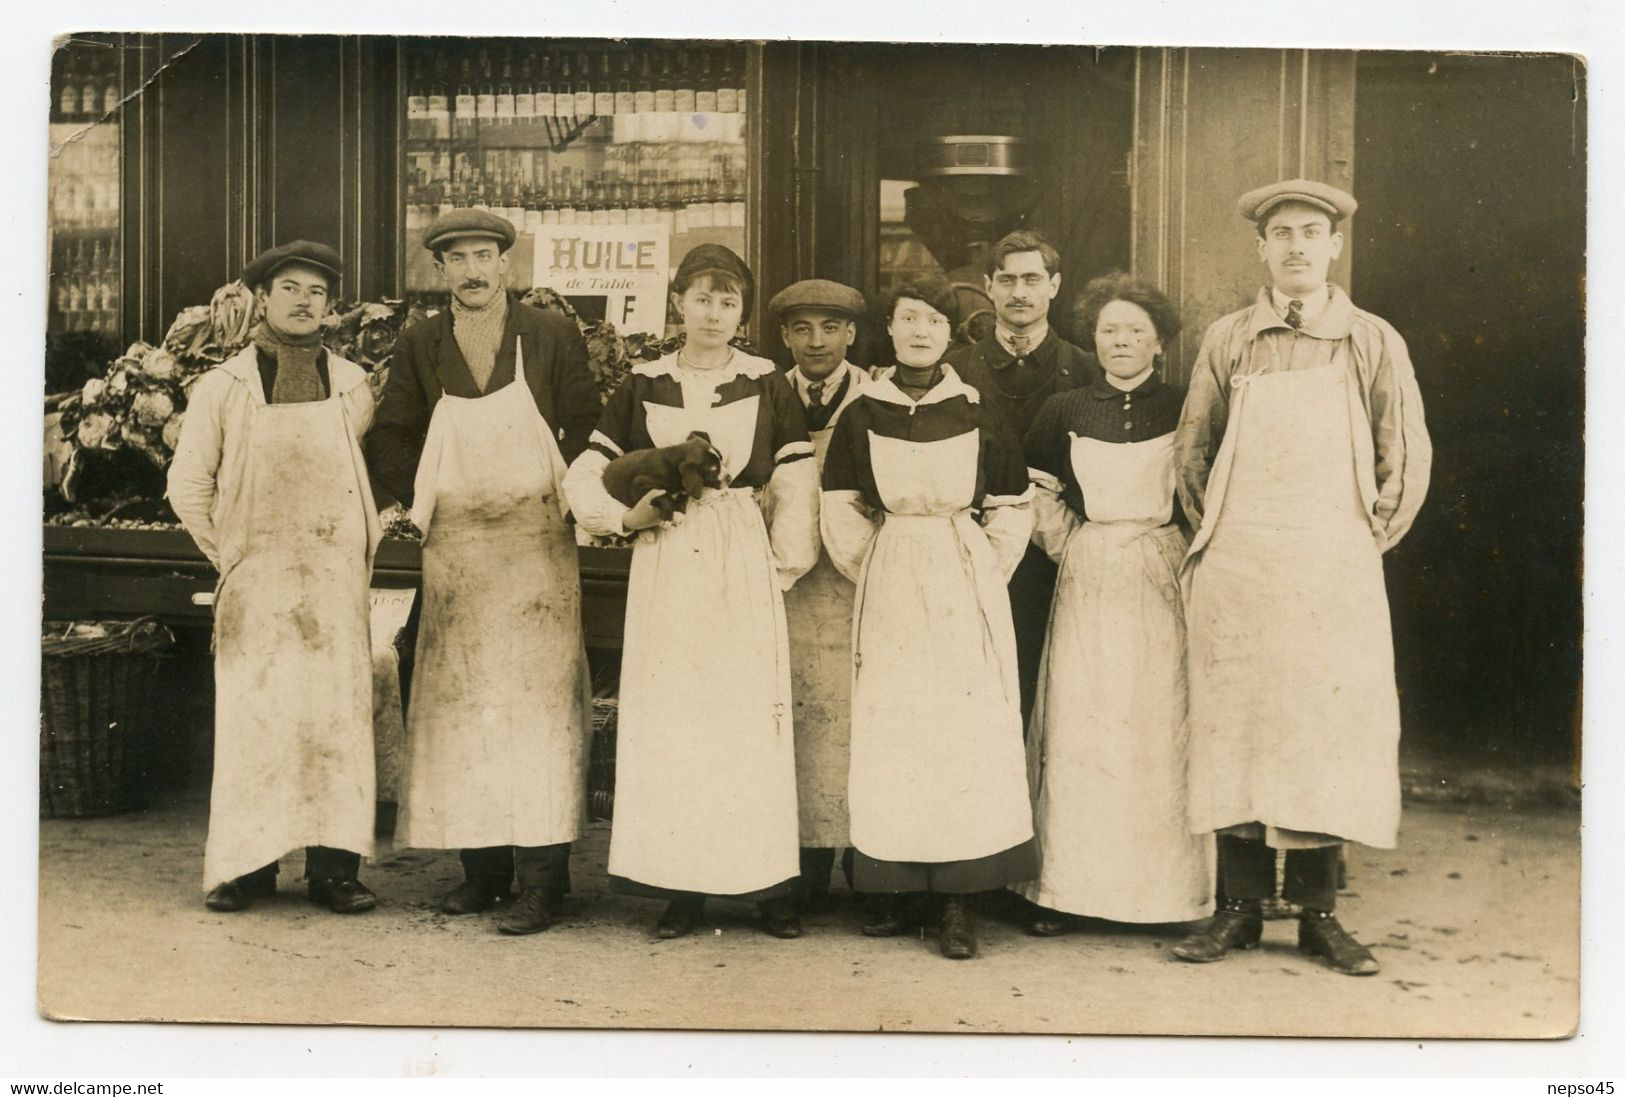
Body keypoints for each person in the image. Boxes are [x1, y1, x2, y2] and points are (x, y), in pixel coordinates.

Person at [1172, 179, 1432, 975]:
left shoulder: (1369, 339)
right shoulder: (1230, 338)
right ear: (1260, 249)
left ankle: (1319, 915)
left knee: (1326, 732)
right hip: (1242, 566)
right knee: (1236, 726)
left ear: (1332, 246)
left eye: (1308, 232)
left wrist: (1357, 543)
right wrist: (1220, 542)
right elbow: (1193, 452)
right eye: (1279, 232)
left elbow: (1404, 452)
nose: (1293, 246)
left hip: (1331, 566)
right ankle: (1237, 911)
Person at [563, 244, 820, 940]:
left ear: (741, 311)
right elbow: (584, 472)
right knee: (677, 717)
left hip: (740, 553)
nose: (713, 313)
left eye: (728, 301)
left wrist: (781, 568)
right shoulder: (643, 382)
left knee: (742, 718)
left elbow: (795, 480)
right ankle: (683, 887)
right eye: (701, 298)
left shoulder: (767, 381)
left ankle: (765, 885)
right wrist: (621, 518)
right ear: (677, 302)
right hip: (669, 557)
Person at [365, 208, 602, 936]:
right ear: (440, 271)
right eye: (457, 258)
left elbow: (587, 428)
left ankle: (541, 880)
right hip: (459, 554)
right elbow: (393, 431)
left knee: (537, 718)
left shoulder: (552, 336)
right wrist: (403, 502)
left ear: (506, 264)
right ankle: (482, 872)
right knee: (462, 712)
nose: (472, 270)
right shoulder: (420, 342)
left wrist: (586, 502)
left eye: (484, 256)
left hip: (537, 551)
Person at [821, 274, 1036, 960]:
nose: (919, 332)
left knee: (962, 732)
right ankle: (897, 889)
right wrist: (884, 565)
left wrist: (972, 568)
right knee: (897, 727)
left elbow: (1010, 502)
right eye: (908, 319)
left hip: (960, 572)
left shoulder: (975, 408)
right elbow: (841, 505)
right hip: (891, 572)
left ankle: (957, 900)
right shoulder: (863, 411)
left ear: (950, 334)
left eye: (933, 322)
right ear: (890, 328)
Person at [167, 240, 381, 914]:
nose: (302, 301)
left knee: (335, 723)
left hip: (331, 581)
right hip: (256, 581)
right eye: (288, 288)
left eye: (315, 292)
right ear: (262, 298)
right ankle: (247, 870)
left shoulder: (351, 384)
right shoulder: (222, 386)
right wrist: (230, 553)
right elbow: (187, 483)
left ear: (329, 307)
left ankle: (334, 872)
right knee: (256, 721)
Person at [1013, 273, 1213, 934]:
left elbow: (1206, 486)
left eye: (1133, 330)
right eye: (1107, 331)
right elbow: (1034, 490)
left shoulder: (1186, 405)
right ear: (1092, 342)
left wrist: (1178, 548)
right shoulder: (1065, 409)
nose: (1120, 341)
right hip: (1090, 574)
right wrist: (1073, 542)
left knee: (1159, 722)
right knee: (1083, 721)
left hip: (1162, 574)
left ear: (1158, 342)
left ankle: (1167, 897)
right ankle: (1066, 891)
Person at [946, 230, 1103, 727]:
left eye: (1032, 279)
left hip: (1053, 561)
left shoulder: (1085, 369)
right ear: (988, 286)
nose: (1019, 292)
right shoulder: (953, 370)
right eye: (1007, 279)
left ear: (1054, 286)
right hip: (971, 556)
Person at [768, 278, 872, 909]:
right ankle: (802, 859)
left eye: (830, 328)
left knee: (858, 719)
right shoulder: (764, 394)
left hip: (858, 585)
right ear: (785, 336)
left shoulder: (876, 397)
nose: (816, 342)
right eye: (802, 329)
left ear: (851, 335)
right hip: (789, 586)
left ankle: (863, 856)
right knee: (798, 718)